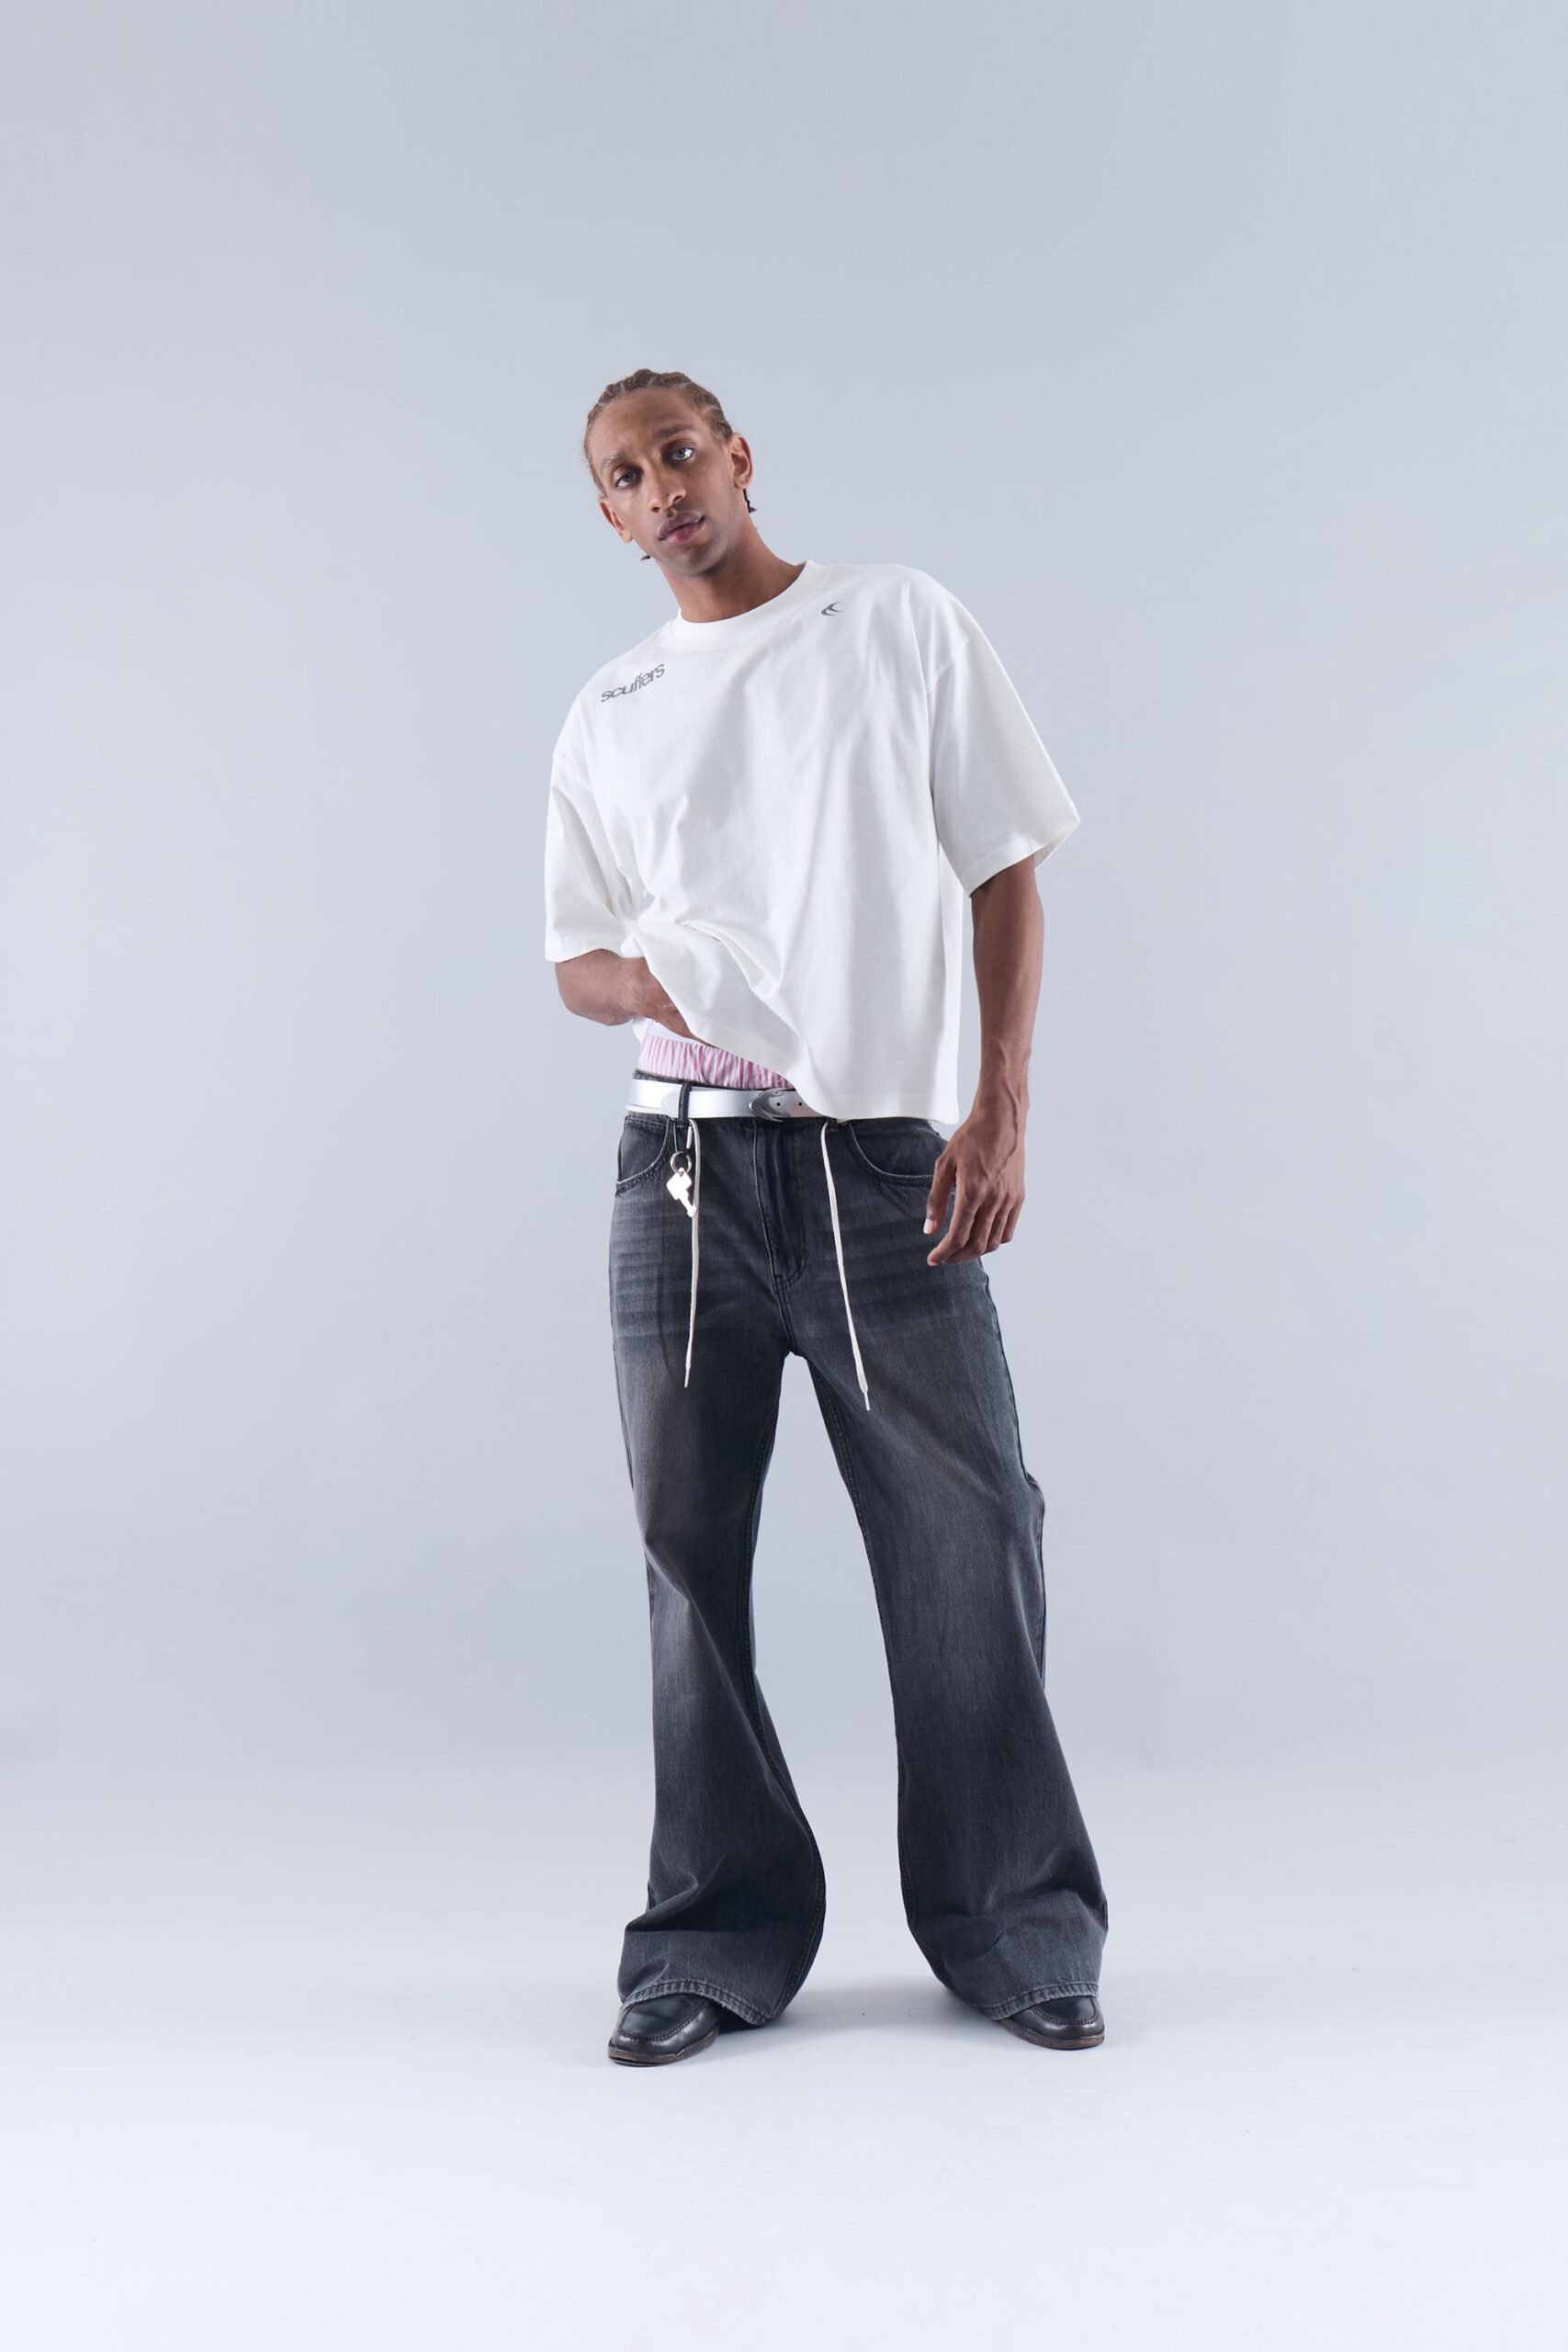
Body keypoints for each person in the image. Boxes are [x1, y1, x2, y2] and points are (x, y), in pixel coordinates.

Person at [544, 368, 1109, 2067]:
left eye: (680, 452)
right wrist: (656, 978)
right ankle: (710, 1939)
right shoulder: (613, 707)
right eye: (625, 475)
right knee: (688, 1553)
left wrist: (1000, 1104)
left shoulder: (894, 621)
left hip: (876, 1161)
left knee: (967, 1532)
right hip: (683, 1172)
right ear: (608, 513)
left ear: (737, 455)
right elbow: (575, 960)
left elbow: (1005, 863)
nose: (662, 489)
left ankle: (1013, 1926)